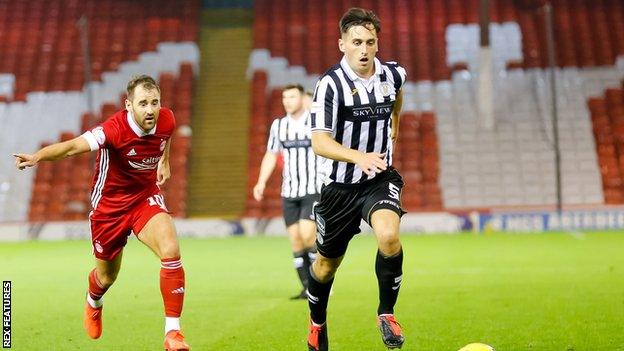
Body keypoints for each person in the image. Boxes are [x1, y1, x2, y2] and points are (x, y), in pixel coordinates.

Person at [14, 75, 190, 351]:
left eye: (154, 102)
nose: (150, 109)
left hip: (145, 198)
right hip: (109, 208)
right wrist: (38, 156)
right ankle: (94, 300)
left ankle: (173, 333)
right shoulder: (113, 130)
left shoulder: (166, 119)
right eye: (143, 103)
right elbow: (72, 147)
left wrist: (164, 162)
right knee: (107, 277)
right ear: (128, 105)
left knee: (171, 250)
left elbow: (165, 137)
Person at [306, 8, 407, 351]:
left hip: (379, 177)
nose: (364, 49)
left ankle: (386, 313)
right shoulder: (330, 85)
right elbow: (319, 142)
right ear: (342, 45)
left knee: (389, 236)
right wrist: (357, 156)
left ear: (377, 44)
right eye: (356, 42)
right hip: (340, 188)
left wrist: (396, 121)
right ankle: (317, 323)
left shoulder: (391, 75)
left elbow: (398, 92)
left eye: (370, 42)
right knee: (325, 265)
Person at [253, 84, 321, 299]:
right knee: (296, 240)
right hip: (289, 191)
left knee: (308, 234)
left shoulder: (314, 122)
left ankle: (321, 280)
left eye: (292, 97)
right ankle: (307, 288)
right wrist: (261, 182)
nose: (288, 101)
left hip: (313, 188)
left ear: (302, 98)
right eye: (285, 97)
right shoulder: (279, 126)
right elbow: (271, 154)